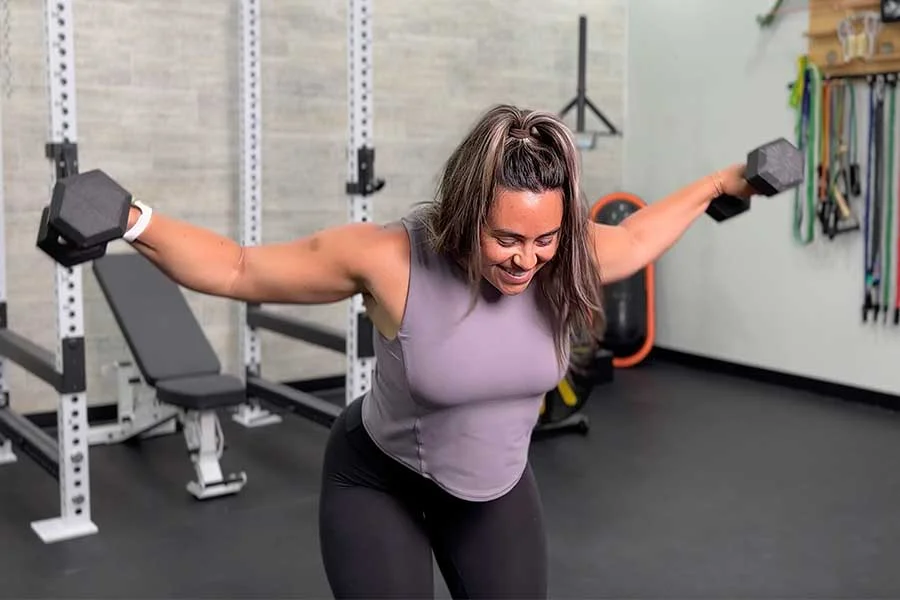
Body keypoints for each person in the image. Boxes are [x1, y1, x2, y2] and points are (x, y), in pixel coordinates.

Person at [122, 104, 755, 599]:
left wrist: (723, 182)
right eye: (506, 237)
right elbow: (238, 269)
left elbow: (639, 235)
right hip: (380, 482)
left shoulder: (567, 257)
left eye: (545, 239)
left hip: (497, 491)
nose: (526, 260)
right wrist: (132, 220)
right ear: (466, 211)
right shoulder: (391, 259)